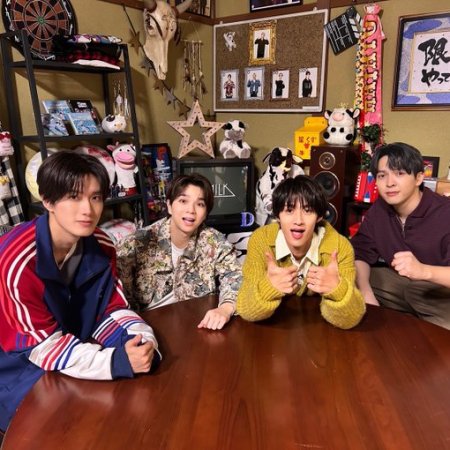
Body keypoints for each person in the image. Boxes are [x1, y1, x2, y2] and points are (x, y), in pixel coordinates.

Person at [0, 151, 160, 435]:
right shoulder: (16, 260)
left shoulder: (102, 244)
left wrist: (141, 341)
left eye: (95, 197)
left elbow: (110, 310)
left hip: (74, 352)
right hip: (18, 369)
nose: (87, 209)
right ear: (48, 201)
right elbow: (41, 348)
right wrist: (115, 361)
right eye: (74, 197)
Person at [237, 175, 366, 329]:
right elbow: (246, 310)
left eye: (308, 210)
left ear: (319, 216)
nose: (298, 220)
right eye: (289, 210)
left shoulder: (340, 247)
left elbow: (351, 319)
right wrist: (268, 288)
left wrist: (338, 289)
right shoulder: (261, 241)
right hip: (277, 326)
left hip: (317, 329)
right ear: (277, 215)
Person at [116, 174, 241, 330]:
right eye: (183, 201)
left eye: (200, 204)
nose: (191, 210)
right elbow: (118, 299)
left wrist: (225, 309)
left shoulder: (214, 241)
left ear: (206, 213)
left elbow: (235, 277)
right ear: (169, 205)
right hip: (147, 329)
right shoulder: (136, 243)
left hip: (197, 325)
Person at [351, 142, 450, 329]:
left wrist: (423, 271)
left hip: (442, 294)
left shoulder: (445, 213)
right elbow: (360, 252)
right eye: (382, 175)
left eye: (399, 173)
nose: (390, 183)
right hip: (402, 286)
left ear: (419, 178)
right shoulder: (379, 210)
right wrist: (366, 293)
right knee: (350, 278)